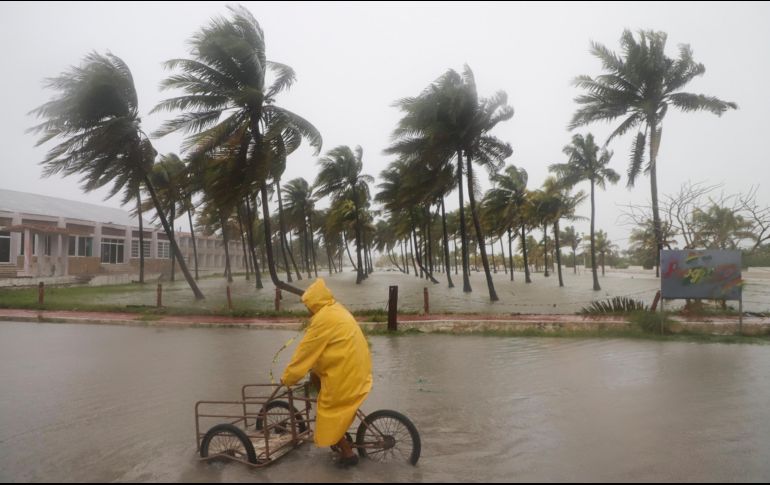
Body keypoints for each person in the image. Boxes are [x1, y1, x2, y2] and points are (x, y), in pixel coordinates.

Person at [281, 278, 372, 467]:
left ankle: (347, 454)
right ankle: (341, 432)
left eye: (308, 305)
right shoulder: (336, 309)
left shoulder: (323, 320)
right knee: (315, 376)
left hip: (346, 373)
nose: (307, 309)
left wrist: (288, 378)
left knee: (326, 413)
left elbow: (304, 353)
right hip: (358, 368)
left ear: (314, 303)